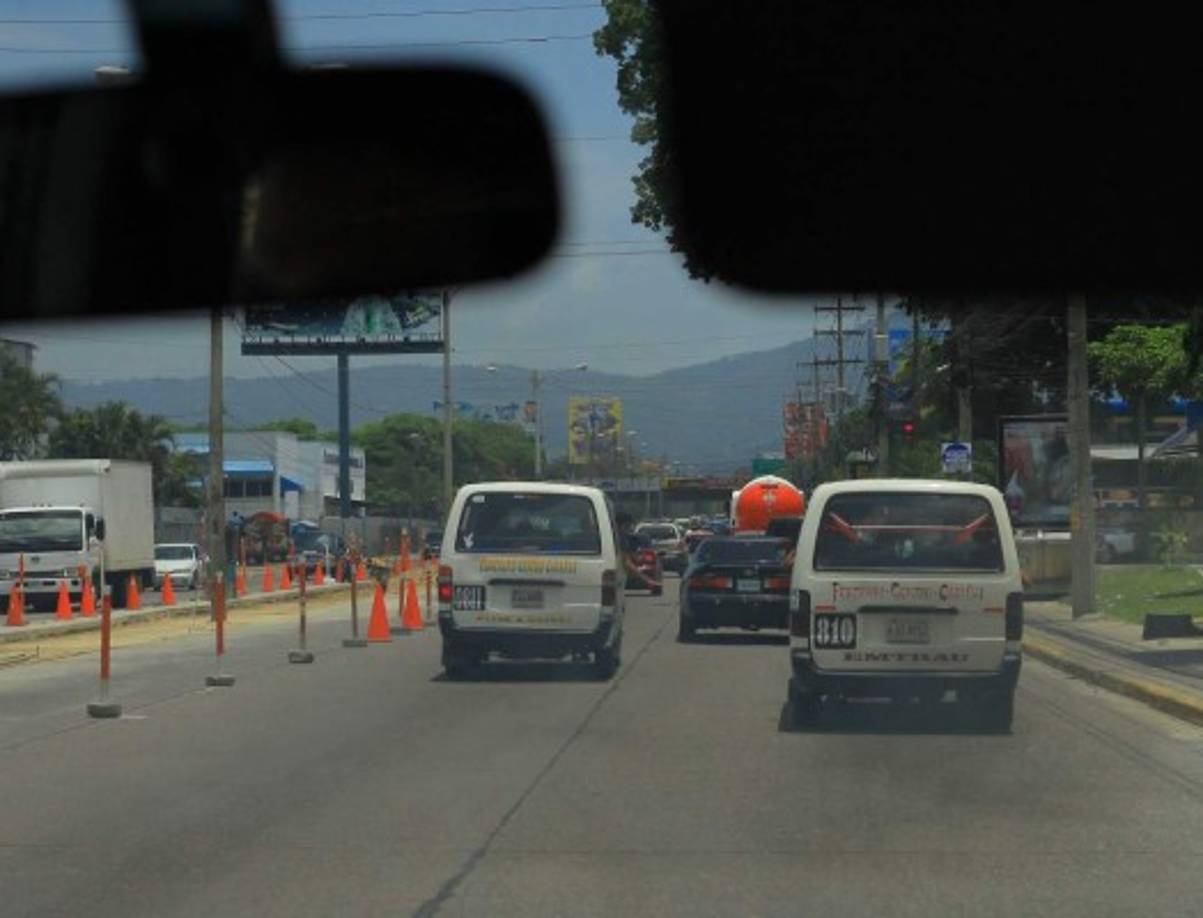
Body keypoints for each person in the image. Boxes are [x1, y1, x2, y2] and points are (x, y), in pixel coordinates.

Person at [616, 511, 659, 589]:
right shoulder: (620, 540)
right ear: (621, 526)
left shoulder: (618, 539)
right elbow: (627, 563)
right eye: (628, 526)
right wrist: (647, 580)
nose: (630, 529)